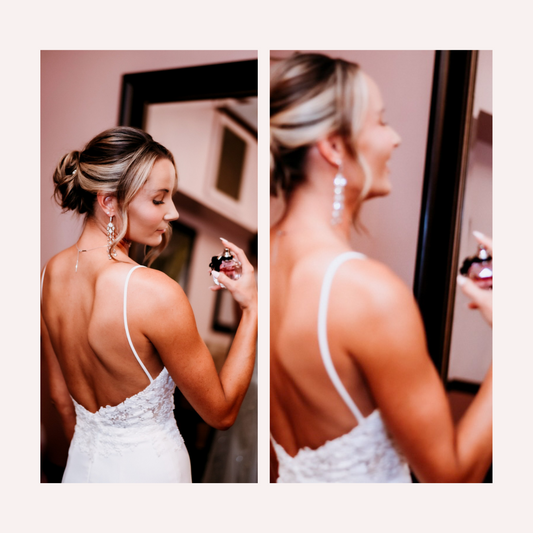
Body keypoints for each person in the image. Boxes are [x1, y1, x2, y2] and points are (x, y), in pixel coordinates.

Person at [269, 53, 492, 483]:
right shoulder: (366, 292)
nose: (395, 139)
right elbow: (453, 479)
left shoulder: (265, 267)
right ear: (334, 145)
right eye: (380, 121)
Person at [41, 127, 257, 483]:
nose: (172, 213)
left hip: (81, 467)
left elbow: (60, 399)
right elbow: (221, 413)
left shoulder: (49, 273)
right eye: (159, 199)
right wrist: (252, 308)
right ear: (108, 201)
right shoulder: (153, 291)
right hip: (151, 475)